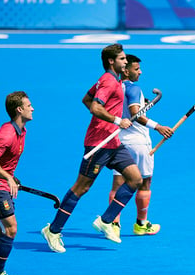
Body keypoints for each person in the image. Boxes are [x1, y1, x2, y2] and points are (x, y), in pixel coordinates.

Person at [41, 43, 143, 253]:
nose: (126, 62)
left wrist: (109, 122)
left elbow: (86, 99)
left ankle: (106, 220)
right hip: (99, 144)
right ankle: (53, 230)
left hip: (113, 143)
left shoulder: (110, 80)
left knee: (135, 179)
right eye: (123, 59)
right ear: (111, 61)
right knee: (81, 187)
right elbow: (95, 106)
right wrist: (116, 120)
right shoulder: (108, 81)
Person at [109, 54, 173, 237]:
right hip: (138, 144)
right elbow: (135, 114)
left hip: (119, 142)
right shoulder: (134, 88)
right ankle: (141, 224)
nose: (140, 72)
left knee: (117, 184)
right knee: (145, 183)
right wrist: (158, 126)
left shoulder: (115, 87)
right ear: (126, 70)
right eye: (136, 69)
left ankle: (113, 224)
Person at [0, 91, 34, 275]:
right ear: (19, 109)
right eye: (29, 106)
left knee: (1, 233)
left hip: (1, 183)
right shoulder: (7, 134)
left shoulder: (22, 131)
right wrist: (7, 177)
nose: (32, 108)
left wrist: (11, 176)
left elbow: (4, 162)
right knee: (10, 230)